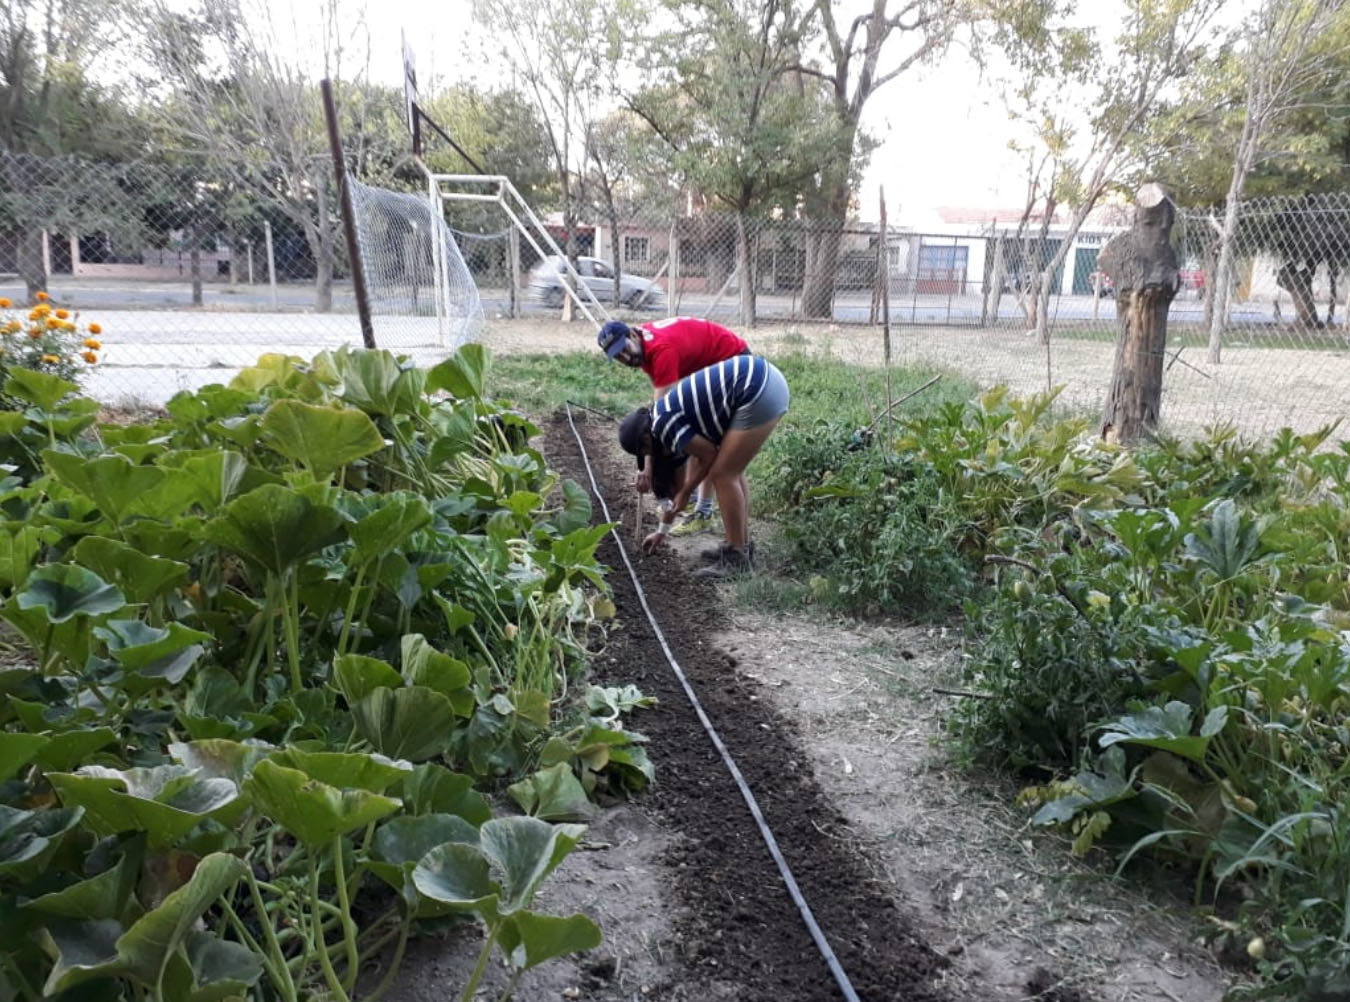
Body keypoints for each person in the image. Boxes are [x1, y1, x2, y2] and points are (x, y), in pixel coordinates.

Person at [617, 353, 789, 577]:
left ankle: (736, 560)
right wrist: (662, 531)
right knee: (731, 471)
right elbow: (690, 473)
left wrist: (688, 491)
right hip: (764, 381)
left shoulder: (664, 426)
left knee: (723, 474)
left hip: (756, 388)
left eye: (646, 451)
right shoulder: (662, 417)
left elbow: (707, 455)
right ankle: (740, 546)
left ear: (646, 439)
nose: (652, 455)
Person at [598, 317, 750, 537]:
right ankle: (698, 504)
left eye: (624, 349)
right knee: (696, 439)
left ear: (632, 335)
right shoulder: (644, 346)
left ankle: (706, 514)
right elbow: (657, 420)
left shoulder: (660, 350)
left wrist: (646, 467)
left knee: (715, 452)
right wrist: (646, 463)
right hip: (712, 366)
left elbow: (656, 422)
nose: (625, 357)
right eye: (618, 356)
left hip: (734, 365)